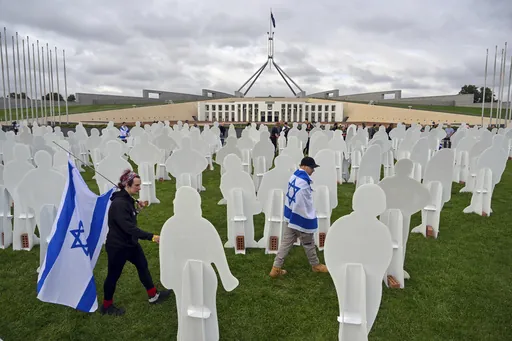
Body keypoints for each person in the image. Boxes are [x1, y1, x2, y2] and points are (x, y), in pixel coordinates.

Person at [100, 169, 171, 316]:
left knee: (143, 266)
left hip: (130, 243)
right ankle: (106, 306)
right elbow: (129, 227)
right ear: (127, 184)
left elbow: (128, 217)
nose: (139, 188)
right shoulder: (119, 203)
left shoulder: (127, 199)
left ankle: (153, 296)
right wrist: (152, 237)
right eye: (137, 185)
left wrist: (137, 209)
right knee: (113, 275)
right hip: (118, 247)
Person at [269, 157, 329, 278]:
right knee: (308, 243)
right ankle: (315, 265)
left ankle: (275, 268)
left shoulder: (294, 177)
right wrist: (309, 218)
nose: (313, 171)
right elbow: (303, 204)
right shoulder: (303, 183)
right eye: (312, 168)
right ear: (305, 167)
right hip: (300, 218)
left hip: (291, 216)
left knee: (286, 243)